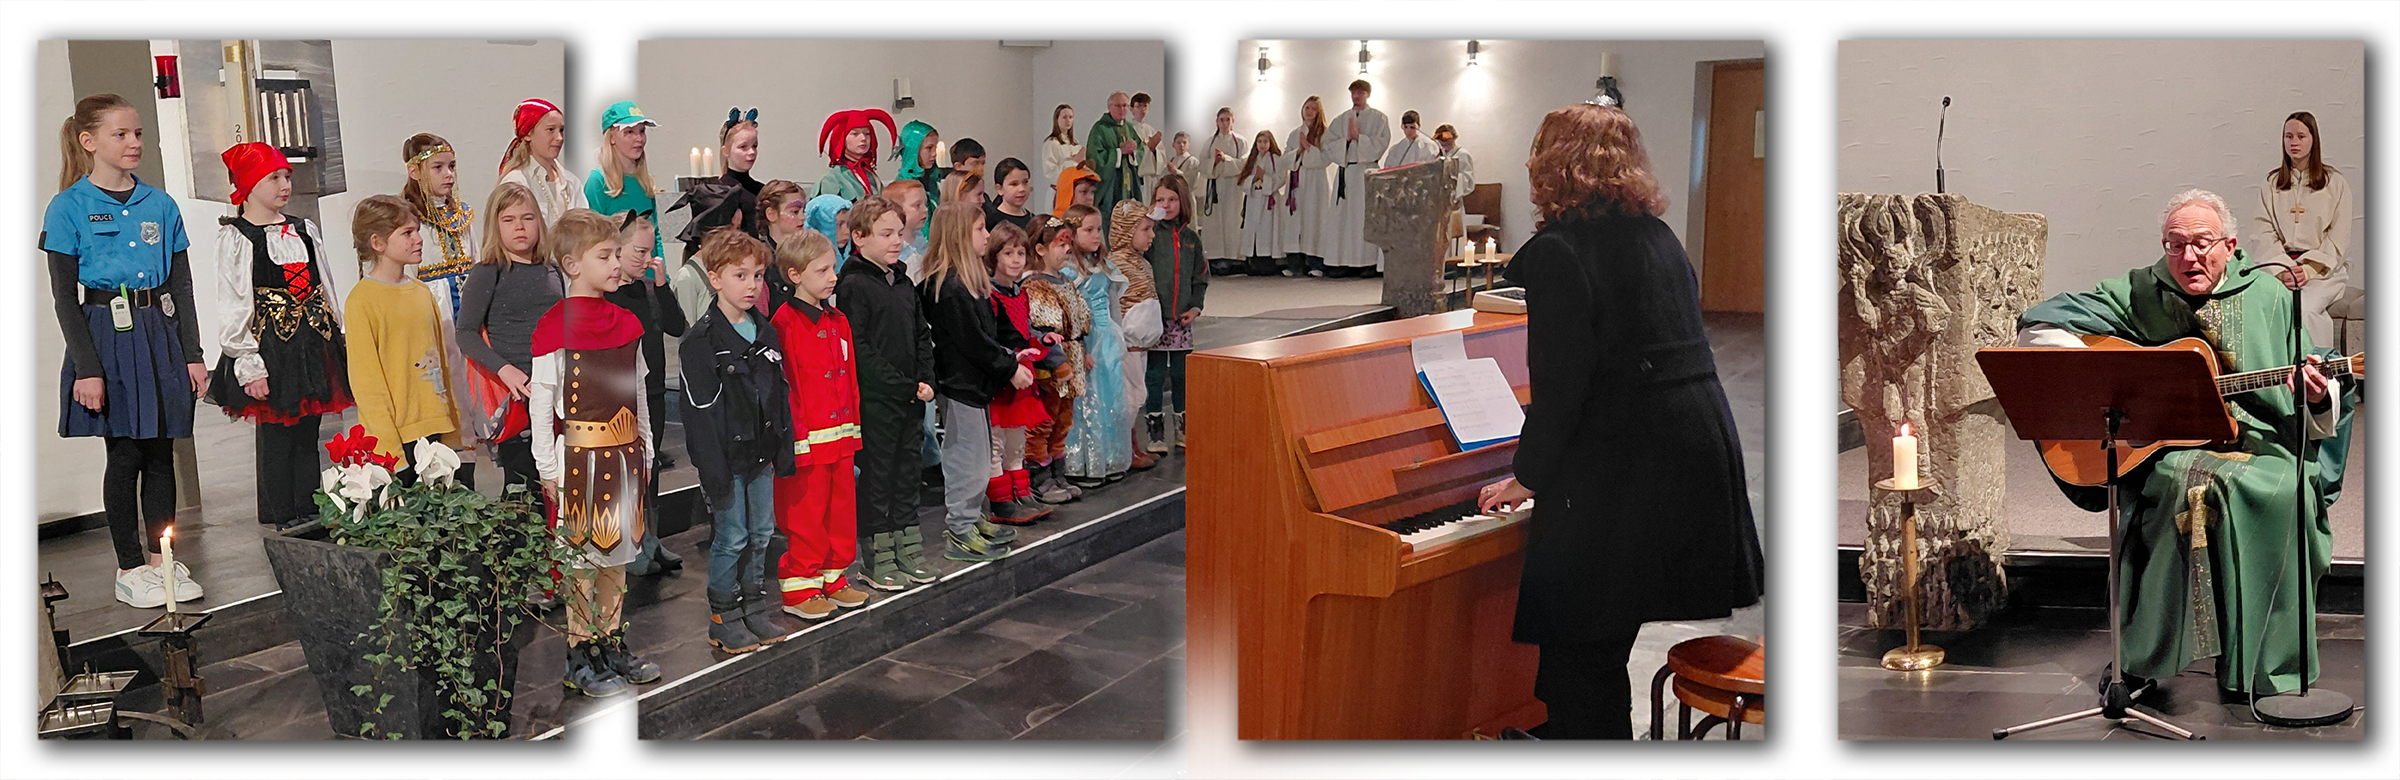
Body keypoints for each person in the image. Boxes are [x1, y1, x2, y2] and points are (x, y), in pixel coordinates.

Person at [1475, 101, 1763, 739]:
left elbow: (1562, 386)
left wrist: (1528, 475)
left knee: (1578, 645)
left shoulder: (1559, 251)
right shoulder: (1659, 237)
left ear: (1550, 165)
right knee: (1598, 637)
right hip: (1693, 448)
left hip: (1625, 462)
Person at [2016, 188, 2339, 700]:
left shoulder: (2269, 296)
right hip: (2171, 447)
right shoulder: (2141, 289)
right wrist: (2090, 364)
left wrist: (2315, 395)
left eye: (2202, 243)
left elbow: (2314, 378)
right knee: (2172, 484)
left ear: (2230, 245)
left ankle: (2265, 668)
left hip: (2261, 440)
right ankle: (2142, 659)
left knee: (2284, 493)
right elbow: (2044, 320)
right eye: (2175, 244)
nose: (2188, 257)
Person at [47, 94, 208, 608]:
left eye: (137, 133)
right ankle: (130, 566)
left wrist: (192, 353)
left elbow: (181, 287)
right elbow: (65, 298)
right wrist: (87, 369)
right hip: (105, 333)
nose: (134, 142)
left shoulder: (160, 204)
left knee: (162, 449)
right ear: (89, 141)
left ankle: (163, 560)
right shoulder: (68, 207)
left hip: (158, 330)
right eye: (121, 134)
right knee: (125, 452)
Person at [530, 209, 663, 695]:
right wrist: (548, 467)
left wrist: (647, 449)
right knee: (582, 561)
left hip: (625, 454)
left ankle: (610, 641)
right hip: (579, 460)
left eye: (616, 255)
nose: (616, 264)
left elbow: (638, 390)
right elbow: (542, 403)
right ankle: (579, 652)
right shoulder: (554, 327)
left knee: (617, 557)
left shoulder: (626, 322)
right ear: (571, 265)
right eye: (604, 256)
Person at [209, 141, 353, 532]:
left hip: (311, 343)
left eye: (286, 176)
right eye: (273, 177)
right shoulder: (239, 237)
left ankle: (310, 509)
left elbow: (325, 286)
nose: (285, 184)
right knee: (277, 434)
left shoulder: (304, 230)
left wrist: (337, 338)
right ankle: (283, 516)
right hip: (272, 349)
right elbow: (234, 302)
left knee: (308, 432)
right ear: (248, 184)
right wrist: (248, 363)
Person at [680, 227, 802, 654]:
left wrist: (782, 448)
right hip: (726, 458)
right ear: (714, 278)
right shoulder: (701, 341)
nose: (752, 285)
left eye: (758, 276)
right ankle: (724, 615)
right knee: (731, 537)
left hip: (760, 454)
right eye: (740, 275)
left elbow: (778, 395)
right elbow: (699, 414)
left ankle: (753, 606)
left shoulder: (764, 331)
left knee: (762, 533)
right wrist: (712, 470)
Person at [835, 196, 941, 591]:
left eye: (899, 232)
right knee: (878, 478)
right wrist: (901, 385)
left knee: (907, 475)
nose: (897, 240)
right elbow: (860, 349)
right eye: (886, 234)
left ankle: (907, 549)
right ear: (860, 237)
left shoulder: (904, 281)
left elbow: (921, 334)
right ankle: (876, 557)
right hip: (878, 400)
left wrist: (926, 377)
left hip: (912, 396)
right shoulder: (853, 284)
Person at [766, 231, 873, 619]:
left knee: (840, 510)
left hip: (840, 436)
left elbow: (849, 378)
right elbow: (788, 387)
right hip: (807, 440)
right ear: (795, 275)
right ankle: (800, 585)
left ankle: (834, 576)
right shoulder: (784, 323)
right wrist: (796, 439)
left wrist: (853, 426)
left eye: (833, 268)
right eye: (822, 270)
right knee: (805, 514)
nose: (833, 277)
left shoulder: (837, 319)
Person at [922, 201, 1037, 558]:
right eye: (979, 229)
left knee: (979, 457)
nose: (987, 235)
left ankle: (971, 518)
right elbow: (973, 341)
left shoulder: (969, 282)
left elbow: (990, 330)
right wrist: (1009, 368)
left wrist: (1012, 354)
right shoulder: (949, 287)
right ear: (958, 235)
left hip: (976, 385)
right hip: (961, 384)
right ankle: (960, 528)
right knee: (966, 460)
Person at [457, 182, 564, 510]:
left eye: (527, 218)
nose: (520, 227)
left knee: (557, 478)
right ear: (495, 225)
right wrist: (505, 371)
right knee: (522, 483)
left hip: (556, 386)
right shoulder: (489, 271)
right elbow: (466, 333)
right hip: (517, 393)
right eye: (509, 219)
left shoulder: (552, 269)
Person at [342, 195, 462, 486]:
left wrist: (453, 429)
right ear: (378, 242)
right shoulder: (361, 301)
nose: (418, 239)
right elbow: (367, 383)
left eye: (417, 230)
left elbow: (442, 363)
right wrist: (388, 447)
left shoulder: (422, 292)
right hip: (398, 436)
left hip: (435, 427)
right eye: (407, 233)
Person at [601, 211, 688, 576]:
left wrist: (662, 285)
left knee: (649, 470)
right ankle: (630, 544)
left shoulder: (648, 288)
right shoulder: (608, 296)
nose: (647, 259)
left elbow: (677, 326)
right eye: (639, 251)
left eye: (650, 251)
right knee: (628, 473)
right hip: (621, 394)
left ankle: (650, 539)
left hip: (651, 391)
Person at [399, 133, 482, 482]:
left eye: (452, 166)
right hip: (434, 312)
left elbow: (476, 260)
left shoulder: (461, 215)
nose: (448, 174)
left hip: (467, 308)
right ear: (414, 171)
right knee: (441, 386)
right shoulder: (408, 219)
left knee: (469, 389)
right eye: (438, 167)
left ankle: (468, 471)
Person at [2250, 111, 2354, 352]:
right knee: (2263, 306)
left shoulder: (2334, 183)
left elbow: (2338, 237)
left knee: (2305, 308)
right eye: (2288, 136)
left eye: (2300, 136)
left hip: (2322, 272)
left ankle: (2318, 367)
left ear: (2313, 139)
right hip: (2280, 269)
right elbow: (2263, 231)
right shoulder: (2272, 183)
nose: (2293, 142)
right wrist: (2283, 269)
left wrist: (2307, 269)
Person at [981, 223, 1060, 520]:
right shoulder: (990, 295)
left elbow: (1023, 331)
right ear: (994, 257)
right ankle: (1001, 501)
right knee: (996, 442)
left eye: (1020, 253)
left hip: (1022, 374)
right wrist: (1011, 358)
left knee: (1017, 441)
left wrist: (1041, 340)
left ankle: (1021, 492)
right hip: (1002, 376)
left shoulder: (1020, 293)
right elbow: (990, 339)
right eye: (1008, 253)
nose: (1016, 260)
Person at [1056, 205, 1131, 487]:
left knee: (1111, 398)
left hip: (1106, 338)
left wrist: (1119, 335)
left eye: (1098, 229)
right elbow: (1071, 311)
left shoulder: (1103, 266)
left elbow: (1113, 304)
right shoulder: (1068, 271)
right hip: (1084, 339)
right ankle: (1083, 463)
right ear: (1072, 234)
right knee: (1086, 401)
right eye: (1088, 230)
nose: (1096, 235)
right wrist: (1082, 346)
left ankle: (1111, 458)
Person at [1023, 215, 1090, 503]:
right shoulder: (1035, 286)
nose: (1067, 250)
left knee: (1063, 420)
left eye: (1069, 244)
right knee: (1043, 421)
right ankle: (1039, 477)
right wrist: (1057, 361)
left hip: (1071, 360)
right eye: (1061, 244)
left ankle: (1056, 471)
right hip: (1049, 367)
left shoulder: (1066, 282)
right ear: (1040, 249)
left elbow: (1081, 319)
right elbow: (1041, 329)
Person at [1143, 174, 1206, 453]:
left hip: (1181, 321)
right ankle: (1155, 432)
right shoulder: (1151, 236)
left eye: (1172, 199)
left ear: (1183, 201)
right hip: (1155, 320)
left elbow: (1200, 277)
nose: (1166, 205)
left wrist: (1195, 306)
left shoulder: (1192, 239)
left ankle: (1183, 428)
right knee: (1155, 375)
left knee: (1182, 375)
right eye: (1160, 200)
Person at [1107, 200, 1164, 467]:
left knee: (1136, 395)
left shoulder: (1142, 263)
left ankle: (1130, 446)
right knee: (1130, 397)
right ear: (1126, 230)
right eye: (1145, 229)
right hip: (1126, 346)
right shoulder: (1115, 266)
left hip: (1140, 346)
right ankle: (1121, 450)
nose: (1151, 235)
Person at [670, 108, 767, 262]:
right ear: (726, 151)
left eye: (754, 146)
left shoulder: (761, 190)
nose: (751, 152)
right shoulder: (718, 192)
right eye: (743, 147)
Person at [1325, 80, 1392, 277]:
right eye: (1353, 93)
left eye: (1360, 93)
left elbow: (1381, 143)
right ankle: (1342, 261)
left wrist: (1359, 138)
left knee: (1363, 216)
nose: (1356, 96)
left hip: (1366, 171)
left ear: (1367, 95)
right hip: (1346, 172)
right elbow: (1328, 143)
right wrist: (1346, 140)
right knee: (1343, 218)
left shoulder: (1378, 118)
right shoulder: (1341, 119)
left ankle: (1366, 262)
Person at [583, 101, 665, 260]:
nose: (639, 138)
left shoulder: (645, 180)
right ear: (612, 138)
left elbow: (655, 233)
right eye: (629, 132)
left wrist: (661, 270)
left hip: (647, 270)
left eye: (642, 131)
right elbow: (594, 238)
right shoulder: (598, 182)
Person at [497, 98, 584, 225]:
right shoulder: (517, 181)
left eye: (561, 130)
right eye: (551, 130)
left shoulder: (571, 181)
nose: (559, 138)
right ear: (528, 134)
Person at [1283, 96, 1334, 276]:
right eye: (1307, 107)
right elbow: (1285, 158)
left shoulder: (1325, 134)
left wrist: (1309, 147)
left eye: (1313, 108)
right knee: (1295, 221)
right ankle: (1295, 264)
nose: (1309, 111)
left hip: (1316, 181)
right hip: (1298, 181)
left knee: (1315, 220)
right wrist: (1298, 150)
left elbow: (1326, 158)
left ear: (1319, 112)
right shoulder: (1294, 133)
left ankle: (1316, 264)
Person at [1199, 108, 1247, 274]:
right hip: (1216, 186)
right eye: (1221, 120)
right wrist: (1214, 161)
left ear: (1233, 121)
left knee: (1232, 220)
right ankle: (1215, 257)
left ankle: (1234, 258)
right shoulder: (1209, 142)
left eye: (1227, 119)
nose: (1225, 123)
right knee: (1215, 222)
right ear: (1217, 121)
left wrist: (1225, 159)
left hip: (1233, 187)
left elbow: (1244, 163)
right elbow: (1202, 164)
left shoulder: (1240, 141)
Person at [1085, 92, 1144, 224]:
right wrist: (1119, 152)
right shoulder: (1100, 128)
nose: (1122, 109)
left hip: (1128, 183)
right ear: (1109, 107)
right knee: (1111, 221)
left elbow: (1141, 150)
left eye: (1125, 106)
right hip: (1110, 186)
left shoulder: (1128, 127)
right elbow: (1094, 157)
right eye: (1117, 106)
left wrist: (1134, 152)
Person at [815, 108, 897, 203]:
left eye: (867, 133)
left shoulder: (871, 175)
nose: (863, 138)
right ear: (841, 138)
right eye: (855, 134)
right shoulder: (831, 179)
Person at [1237, 130, 1286, 276]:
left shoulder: (1276, 159)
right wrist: (1253, 178)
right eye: (1259, 142)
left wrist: (1265, 177)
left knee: (1267, 230)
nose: (1262, 145)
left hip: (1268, 199)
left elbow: (1281, 179)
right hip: (1254, 198)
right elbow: (1242, 180)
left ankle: (1267, 262)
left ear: (1271, 143)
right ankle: (1253, 261)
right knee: (1253, 229)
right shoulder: (1253, 159)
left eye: (1265, 141)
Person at [1434, 124, 1477, 257]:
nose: (1444, 143)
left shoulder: (1462, 154)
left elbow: (1468, 178)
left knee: (1454, 236)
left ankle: (1455, 260)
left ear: (1454, 138)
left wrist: (1454, 185)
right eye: (1441, 140)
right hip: (1438, 203)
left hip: (1454, 202)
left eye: (1447, 139)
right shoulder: (1437, 156)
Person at [880, 179, 931, 279]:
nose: (925, 209)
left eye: (925, 204)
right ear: (897, 209)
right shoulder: (892, 249)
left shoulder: (921, 241)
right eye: (917, 205)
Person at [1040, 104, 1080, 206]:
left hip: (1074, 191)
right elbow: (1050, 172)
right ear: (1057, 119)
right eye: (1064, 117)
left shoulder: (1075, 143)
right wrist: (1073, 162)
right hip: (1059, 191)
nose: (1068, 120)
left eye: (1071, 117)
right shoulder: (1051, 143)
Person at [985, 157, 1038, 234]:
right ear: (999, 189)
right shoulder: (992, 221)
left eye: (1025, 182)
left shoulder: (1032, 219)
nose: (1022, 189)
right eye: (1014, 184)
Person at [1129, 93, 1165, 202]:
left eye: (1145, 106)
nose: (1142, 109)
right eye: (1138, 106)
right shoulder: (1128, 128)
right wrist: (1147, 148)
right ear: (1131, 108)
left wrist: (1154, 150)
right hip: (1136, 178)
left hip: (1150, 179)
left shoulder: (1150, 129)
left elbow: (1161, 155)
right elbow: (1131, 154)